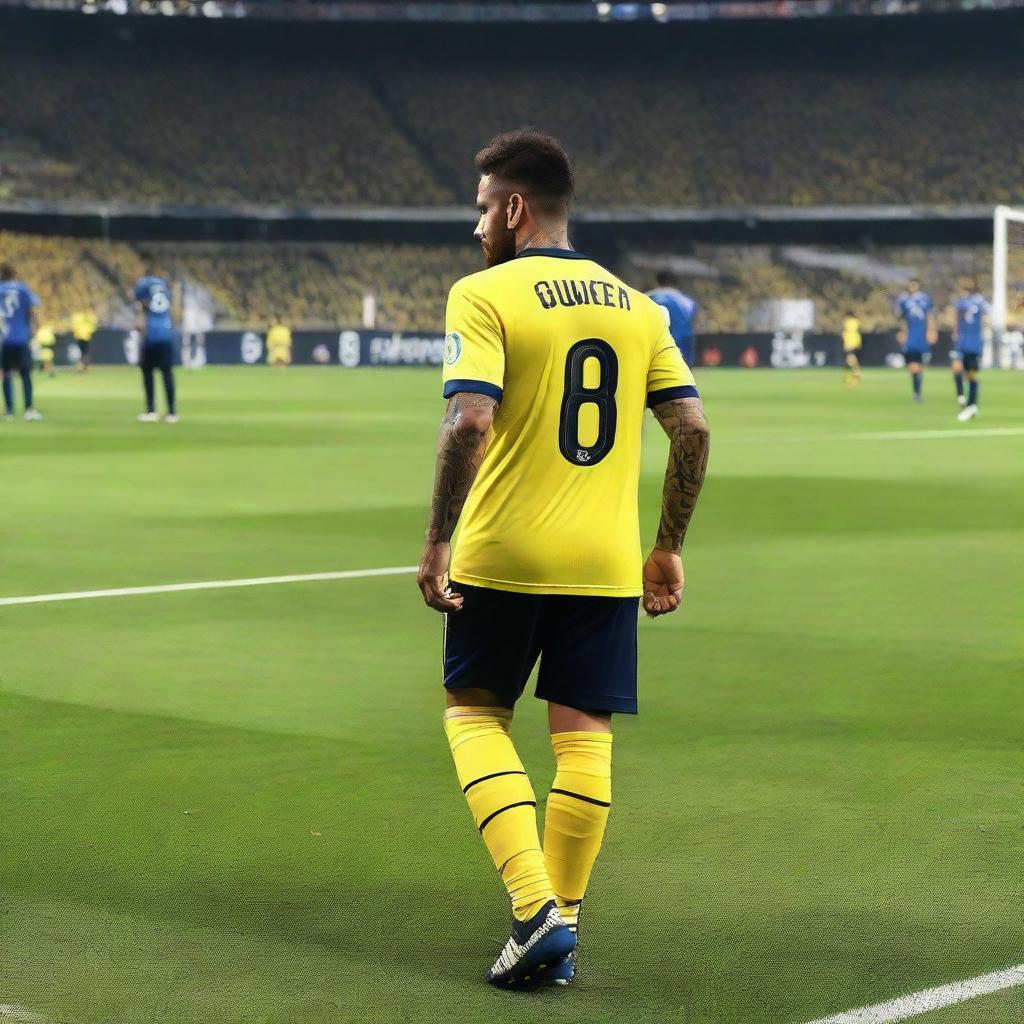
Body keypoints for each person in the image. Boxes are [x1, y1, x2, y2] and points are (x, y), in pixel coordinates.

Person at [416, 131, 710, 990]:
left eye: (480, 209)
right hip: (607, 560)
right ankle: (564, 930)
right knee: (583, 740)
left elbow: (469, 421)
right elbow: (690, 426)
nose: (475, 230)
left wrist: (438, 539)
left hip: (505, 550)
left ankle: (534, 908)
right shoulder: (638, 305)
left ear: (514, 208)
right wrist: (666, 547)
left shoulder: (484, 293)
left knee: (474, 717)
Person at [133, 270, 178, 423]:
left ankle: (151, 410)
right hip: (166, 334)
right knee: (167, 373)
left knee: (147, 372)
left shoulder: (144, 286)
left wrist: (140, 322)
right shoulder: (165, 289)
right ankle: (172, 412)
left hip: (150, 335)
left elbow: (140, 308)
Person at [0, 264, 43, 421]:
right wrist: (36, 330)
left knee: (6, 374)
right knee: (25, 374)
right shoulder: (22, 289)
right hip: (21, 338)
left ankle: (9, 412)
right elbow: (33, 309)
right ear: (14, 274)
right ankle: (29, 410)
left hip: (4, 339)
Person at [951, 281, 989, 421]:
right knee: (958, 369)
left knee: (970, 375)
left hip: (971, 344)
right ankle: (962, 397)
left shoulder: (965, 303)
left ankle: (971, 405)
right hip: (967, 343)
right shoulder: (981, 303)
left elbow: (956, 317)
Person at [894, 278, 937, 402]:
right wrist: (902, 332)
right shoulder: (904, 300)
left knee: (918, 366)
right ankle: (916, 391)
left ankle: (917, 393)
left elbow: (930, 316)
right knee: (913, 366)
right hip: (910, 337)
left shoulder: (925, 299)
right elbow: (901, 319)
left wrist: (931, 331)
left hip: (921, 337)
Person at [646, 269, 699, 366]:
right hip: (683, 344)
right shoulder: (687, 301)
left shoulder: (647, 297)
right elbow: (693, 319)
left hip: (658, 345)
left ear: (656, 280)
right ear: (675, 281)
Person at [70, 308, 98, 372]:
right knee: (86, 352)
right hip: (85, 337)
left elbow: (74, 326)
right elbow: (93, 325)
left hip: (80, 337)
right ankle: (84, 366)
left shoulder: (78, 316)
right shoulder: (86, 316)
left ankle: (83, 366)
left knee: (84, 352)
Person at [842, 310, 863, 386]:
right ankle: (847, 375)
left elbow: (845, 333)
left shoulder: (847, 323)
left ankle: (856, 372)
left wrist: (845, 343)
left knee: (851, 358)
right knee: (849, 359)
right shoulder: (856, 322)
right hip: (856, 341)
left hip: (849, 342)